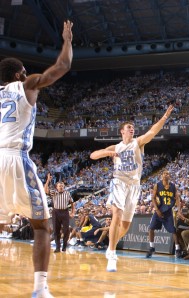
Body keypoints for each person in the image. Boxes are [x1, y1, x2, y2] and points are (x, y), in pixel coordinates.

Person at [0, 20, 73, 298]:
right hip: (16, 157)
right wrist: (66, 39)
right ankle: (40, 290)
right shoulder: (26, 85)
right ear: (20, 74)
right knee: (42, 226)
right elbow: (62, 67)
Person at [90, 105, 174, 272]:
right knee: (117, 214)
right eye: (129, 128)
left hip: (134, 186)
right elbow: (93, 155)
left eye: (133, 128)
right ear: (122, 131)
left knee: (126, 226)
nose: (132, 130)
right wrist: (108, 153)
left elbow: (152, 132)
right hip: (119, 182)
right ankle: (112, 254)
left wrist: (164, 118)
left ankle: (110, 246)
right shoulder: (116, 147)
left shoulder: (138, 143)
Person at [146, 170, 181, 258]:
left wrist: (179, 210)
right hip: (159, 210)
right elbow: (153, 198)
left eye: (168, 174)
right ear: (162, 175)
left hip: (168, 211)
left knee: (173, 230)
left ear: (170, 176)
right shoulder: (157, 185)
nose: (166, 175)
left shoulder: (173, 186)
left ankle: (177, 249)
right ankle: (151, 247)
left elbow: (177, 198)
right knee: (151, 228)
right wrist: (157, 209)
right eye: (164, 173)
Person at [44, 174, 75, 253]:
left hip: (65, 212)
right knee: (56, 230)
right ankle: (58, 247)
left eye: (62, 186)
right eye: (59, 186)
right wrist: (48, 180)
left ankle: (64, 246)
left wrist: (72, 212)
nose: (61, 187)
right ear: (57, 187)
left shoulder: (67, 193)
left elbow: (72, 203)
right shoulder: (54, 193)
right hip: (56, 212)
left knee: (66, 230)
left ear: (63, 187)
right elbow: (45, 190)